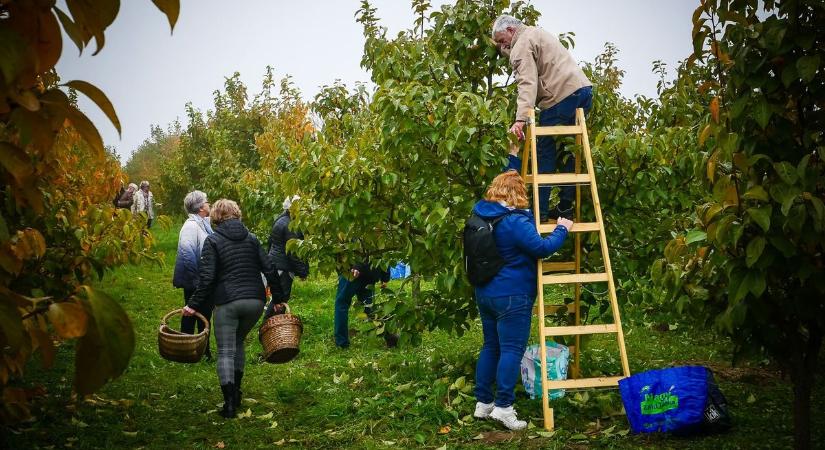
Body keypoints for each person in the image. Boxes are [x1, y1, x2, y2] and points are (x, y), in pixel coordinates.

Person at [470, 171, 573, 430]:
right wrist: (562, 228)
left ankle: (483, 403)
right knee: (511, 350)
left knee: (491, 346)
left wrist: (514, 155)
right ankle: (504, 407)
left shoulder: (482, 212)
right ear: (518, 194)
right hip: (512, 295)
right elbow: (541, 248)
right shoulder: (515, 221)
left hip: (485, 292)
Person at [183, 199, 281, 419]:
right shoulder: (252, 239)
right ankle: (236, 393)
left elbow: (207, 279)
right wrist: (279, 298)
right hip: (255, 301)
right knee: (238, 342)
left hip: (228, 302)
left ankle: (229, 404)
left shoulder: (213, 240)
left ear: (215, 217)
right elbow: (270, 268)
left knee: (226, 350)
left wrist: (192, 305)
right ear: (237, 214)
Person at [492, 14, 593, 221]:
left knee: (544, 151)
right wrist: (506, 49)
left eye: (503, 40)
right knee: (568, 151)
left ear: (511, 30)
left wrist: (520, 119)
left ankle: (541, 212)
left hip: (560, 98)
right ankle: (565, 206)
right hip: (582, 92)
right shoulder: (535, 33)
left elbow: (527, 83)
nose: (503, 46)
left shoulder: (520, 45)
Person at [172, 190, 213, 359]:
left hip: (201, 278)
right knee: (192, 312)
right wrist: (198, 280)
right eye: (206, 202)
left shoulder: (202, 223)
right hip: (194, 279)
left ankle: (202, 349)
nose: (209, 204)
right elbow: (187, 254)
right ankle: (187, 349)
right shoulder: (191, 226)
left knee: (203, 314)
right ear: (201, 207)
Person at [262, 195, 309, 321]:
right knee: (280, 299)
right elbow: (293, 252)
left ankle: (272, 326)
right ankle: (269, 328)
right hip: (283, 267)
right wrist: (303, 272)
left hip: (276, 263)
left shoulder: (280, 219)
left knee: (277, 297)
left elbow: (270, 242)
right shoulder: (290, 225)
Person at [333, 260, 398, 349]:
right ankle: (389, 336)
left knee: (342, 304)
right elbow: (384, 253)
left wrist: (357, 266)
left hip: (352, 272)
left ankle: (341, 342)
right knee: (369, 308)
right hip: (370, 273)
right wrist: (385, 276)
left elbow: (359, 248)